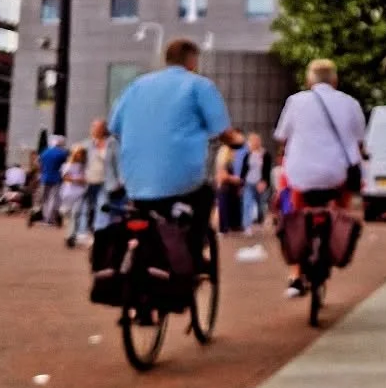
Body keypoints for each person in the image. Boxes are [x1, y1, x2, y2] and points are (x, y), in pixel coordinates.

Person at [109, 38, 241, 284]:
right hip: (181, 181)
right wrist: (238, 143)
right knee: (204, 197)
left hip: (135, 180)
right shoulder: (199, 85)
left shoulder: (136, 85)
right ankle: (194, 256)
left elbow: (114, 127)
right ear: (192, 61)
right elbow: (224, 132)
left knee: (137, 213)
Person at [273, 59, 368, 298]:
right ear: (335, 81)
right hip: (337, 175)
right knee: (337, 207)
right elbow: (359, 140)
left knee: (296, 213)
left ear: (309, 81)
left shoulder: (295, 102)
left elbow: (282, 136)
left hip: (301, 175)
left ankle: (295, 275)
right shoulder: (350, 103)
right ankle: (334, 242)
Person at [68, 119, 110, 247]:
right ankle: (79, 233)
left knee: (101, 207)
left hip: (104, 181)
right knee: (82, 208)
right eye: (93, 127)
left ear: (104, 129)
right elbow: (74, 161)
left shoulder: (111, 144)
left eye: (97, 127)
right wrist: (75, 176)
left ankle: (99, 234)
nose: (94, 129)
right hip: (86, 181)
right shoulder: (85, 145)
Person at [237, 133, 272, 236]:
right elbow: (244, 170)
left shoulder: (265, 155)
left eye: (254, 141)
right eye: (251, 141)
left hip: (261, 183)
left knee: (261, 205)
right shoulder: (248, 155)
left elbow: (267, 170)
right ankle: (247, 226)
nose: (252, 143)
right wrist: (241, 184)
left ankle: (260, 223)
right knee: (247, 203)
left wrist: (264, 181)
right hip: (249, 182)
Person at [35, 136, 69, 227]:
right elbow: (67, 165)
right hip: (56, 178)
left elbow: (38, 163)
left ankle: (45, 218)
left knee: (45, 199)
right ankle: (50, 219)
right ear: (60, 143)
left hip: (44, 177)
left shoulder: (45, 152)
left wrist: (42, 171)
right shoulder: (62, 153)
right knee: (53, 199)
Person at [59, 146, 89, 242]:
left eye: (82, 154)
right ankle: (71, 232)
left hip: (80, 193)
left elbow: (87, 179)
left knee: (76, 213)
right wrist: (77, 179)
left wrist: (81, 180)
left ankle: (71, 235)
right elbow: (65, 177)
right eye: (79, 153)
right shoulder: (68, 165)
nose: (80, 156)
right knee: (66, 212)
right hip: (69, 193)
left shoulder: (86, 166)